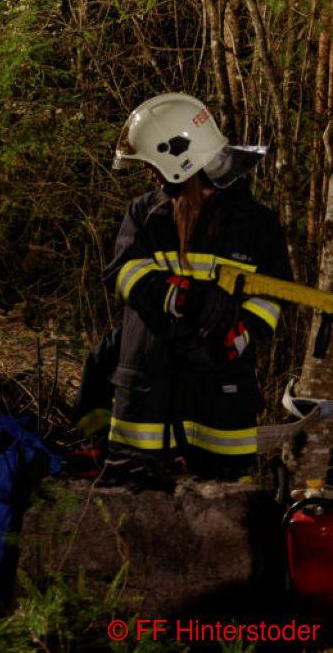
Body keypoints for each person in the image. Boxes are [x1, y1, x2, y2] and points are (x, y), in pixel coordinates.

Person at [102, 92, 292, 483]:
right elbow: (124, 274)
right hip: (148, 399)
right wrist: (181, 297)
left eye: (153, 165)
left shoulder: (256, 225)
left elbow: (273, 294)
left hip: (221, 398)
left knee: (222, 525)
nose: (151, 175)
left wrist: (238, 336)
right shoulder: (146, 215)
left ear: (178, 156)